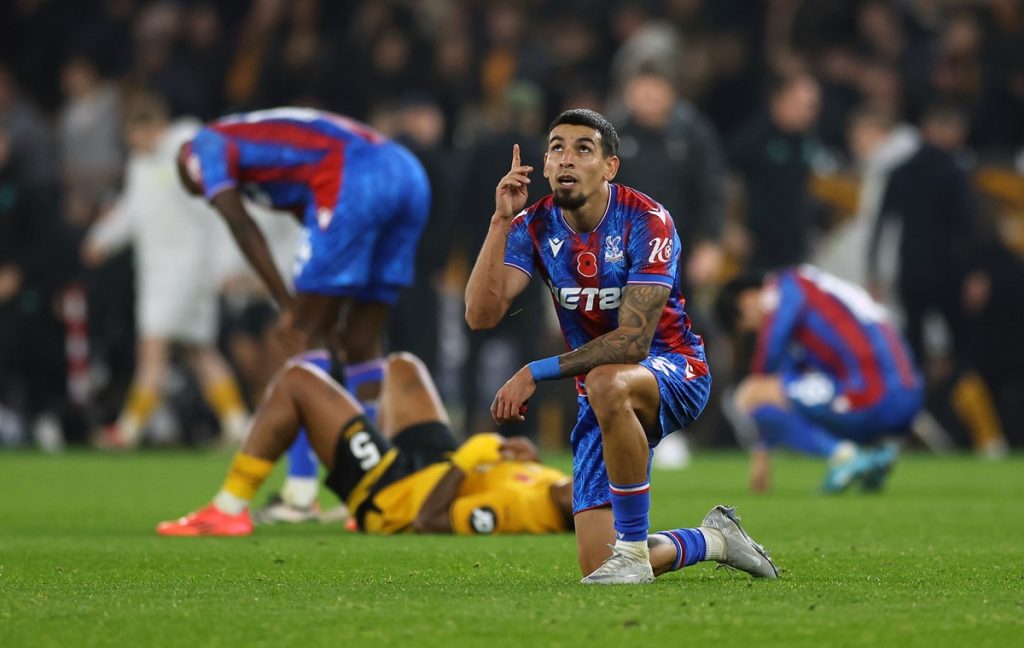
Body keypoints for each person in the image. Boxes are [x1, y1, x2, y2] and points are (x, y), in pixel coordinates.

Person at [464, 109, 777, 584]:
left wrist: (535, 371)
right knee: (596, 563)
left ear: (609, 166)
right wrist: (498, 221)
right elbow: (480, 315)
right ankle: (715, 539)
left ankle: (632, 550)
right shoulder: (532, 224)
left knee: (607, 380)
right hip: (601, 388)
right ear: (545, 166)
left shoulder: (647, 220)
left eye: (583, 149)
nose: (566, 159)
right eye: (556, 149)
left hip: (675, 368)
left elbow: (633, 341)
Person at [156, 352, 774, 583]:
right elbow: (568, 489)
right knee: (403, 365)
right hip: (439, 462)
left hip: (394, 495)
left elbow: (427, 519)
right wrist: (516, 458)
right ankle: (338, 401)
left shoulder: (520, 513)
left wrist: (476, 455)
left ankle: (231, 507)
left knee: (295, 378)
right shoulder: (549, 489)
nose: (574, 492)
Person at [177, 106, 431, 521]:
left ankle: (299, 493)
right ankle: (379, 485)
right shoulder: (264, 144)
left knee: (300, 337)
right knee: (360, 341)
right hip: (407, 172)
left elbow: (240, 224)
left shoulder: (205, 145)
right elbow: (312, 212)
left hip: (353, 175)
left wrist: (288, 304)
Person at [82, 93, 249, 448]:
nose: (134, 143)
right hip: (156, 270)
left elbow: (217, 210)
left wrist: (225, 263)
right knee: (199, 351)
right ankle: (237, 424)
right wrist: (102, 239)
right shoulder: (140, 164)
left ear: (156, 127)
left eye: (138, 134)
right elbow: (132, 210)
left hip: (187, 268)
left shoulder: (186, 152)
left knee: (152, 347)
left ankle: (127, 431)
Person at [714, 265, 924, 493]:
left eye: (750, 329)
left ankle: (845, 456)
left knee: (748, 394)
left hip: (877, 392)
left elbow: (770, 354)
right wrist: (764, 441)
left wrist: (760, 448)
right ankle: (872, 454)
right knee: (769, 402)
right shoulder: (817, 293)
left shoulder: (786, 287)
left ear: (746, 301)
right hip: (906, 392)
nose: (758, 331)